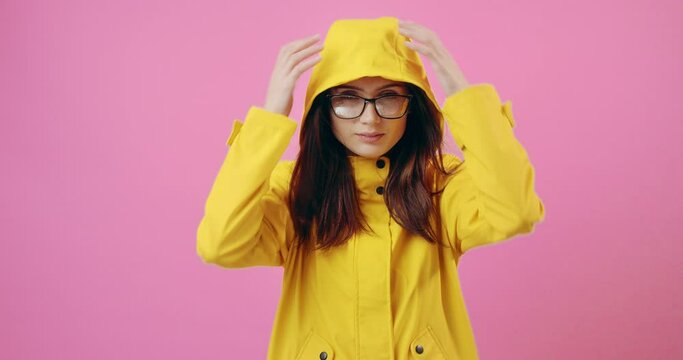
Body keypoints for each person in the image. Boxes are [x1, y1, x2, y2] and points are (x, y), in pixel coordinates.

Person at [196, 16, 545, 360]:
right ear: (323, 108)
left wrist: (462, 93)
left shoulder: (439, 183)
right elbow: (221, 243)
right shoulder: (295, 188)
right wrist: (270, 116)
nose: (370, 118)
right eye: (347, 97)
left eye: (389, 97)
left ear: (413, 105)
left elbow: (516, 212)